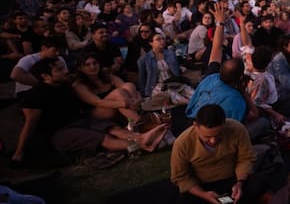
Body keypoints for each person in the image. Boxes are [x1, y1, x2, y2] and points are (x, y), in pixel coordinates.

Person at [14, 58, 167, 168]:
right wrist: (19, 153)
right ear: (45, 76)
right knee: (102, 137)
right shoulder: (37, 95)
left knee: (112, 128)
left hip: (81, 122)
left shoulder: (65, 85)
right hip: (59, 133)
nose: (66, 71)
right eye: (59, 69)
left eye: (64, 67)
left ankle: (141, 137)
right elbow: (30, 124)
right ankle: (142, 143)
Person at [170, 104, 266, 204]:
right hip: (203, 186)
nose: (213, 141)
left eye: (218, 135)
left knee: (261, 181)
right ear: (196, 126)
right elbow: (181, 177)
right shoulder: (182, 143)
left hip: (233, 180)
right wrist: (203, 194)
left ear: (225, 124)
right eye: (207, 136)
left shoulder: (237, 129)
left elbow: (246, 158)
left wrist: (240, 183)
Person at [72, 53, 142, 124]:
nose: (92, 67)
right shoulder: (79, 85)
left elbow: (128, 88)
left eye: (95, 63)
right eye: (87, 65)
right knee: (118, 93)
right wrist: (125, 103)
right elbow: (98, 102)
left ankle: (134, 118)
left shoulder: (108, 77)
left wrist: (138, 99)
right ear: (80, 68)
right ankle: (139, 122)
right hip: (97, 112)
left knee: (128, 85)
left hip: (120, 105)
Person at [137, 32, 181, 98]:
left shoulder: (171, 54)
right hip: (157, 86)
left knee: (191, 93)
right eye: (158, 39)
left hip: (173, 82)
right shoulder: (144, 59)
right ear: (151, 43)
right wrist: (145, 94)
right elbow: (142, 79)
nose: (162, 41)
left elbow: (176, 71)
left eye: (163, 38)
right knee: (173, 95)